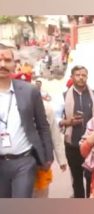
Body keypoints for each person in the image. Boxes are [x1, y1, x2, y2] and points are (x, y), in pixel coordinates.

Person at [0, 43, 53, 198]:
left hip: (24, 161)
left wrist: (48, 155)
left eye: (8, 60)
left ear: (15, 64)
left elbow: (43, 126)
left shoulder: (29, 91)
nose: (3, 64)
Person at [55, 65, 94, 198]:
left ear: (87, 77)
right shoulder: (63, 96)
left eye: (84, 75)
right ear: (72, 77)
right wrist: (68, 122)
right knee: (77, 178)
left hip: (92, 144)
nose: (81, 78)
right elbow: (56, 118)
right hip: (73, 145)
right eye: (78, 75)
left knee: (91, 177)